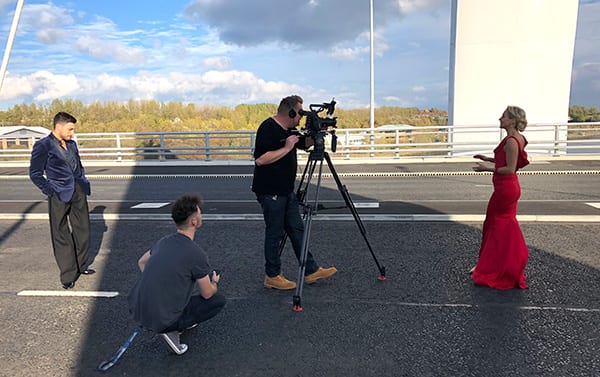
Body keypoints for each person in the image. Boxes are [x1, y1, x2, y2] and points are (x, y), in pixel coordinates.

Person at [252, 95, 337, 290]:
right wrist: (287, 146)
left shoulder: (290, 129)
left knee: (297, 230)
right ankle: (272, 275)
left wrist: (315, 132)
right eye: (299, 113)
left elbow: (304, 144)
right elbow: (261, 159)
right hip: (270, 192)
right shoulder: (268, 128)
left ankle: (311, 270)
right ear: (290, 112)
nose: (301, 117)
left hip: (286, 190)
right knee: (275, 233)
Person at [128, 194, 226, 355]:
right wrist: (214, 282)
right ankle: (171, 328)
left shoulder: (164, 241)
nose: (201, 216)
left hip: (138, 308)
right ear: (194, 221)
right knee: (217, 300)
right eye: (200, 213)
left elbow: (142, 262)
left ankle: (173, 321)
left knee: (185, 292)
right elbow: (207, 294)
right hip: (161, 318)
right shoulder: (196, 254)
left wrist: (159, 282)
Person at [29, 111, 94, 290]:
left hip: (78, 192)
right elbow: (35, 174)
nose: (72, 133)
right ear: (59, 125)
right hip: (58, 194)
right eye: (70, 129)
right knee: (60, 233)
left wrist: (83, 181)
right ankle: (68, 274)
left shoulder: (72, 144)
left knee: (83, 231)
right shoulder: (43, 146)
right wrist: (50, 190)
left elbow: (78, 166)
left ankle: (81, 266)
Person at [470, 105, 530, 289]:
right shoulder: (517, 139)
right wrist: (488, 159)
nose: (500, 119)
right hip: (507, 189)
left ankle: (499, 267)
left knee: (498, 227)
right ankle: (492, 265)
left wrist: (486, 168)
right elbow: (506, 160)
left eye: (503, 116)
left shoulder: (512, 141)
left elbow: (509, 169)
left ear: (512, 120)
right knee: (497, 226)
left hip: (506, 189)